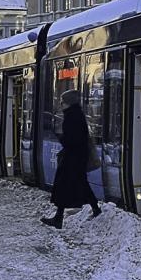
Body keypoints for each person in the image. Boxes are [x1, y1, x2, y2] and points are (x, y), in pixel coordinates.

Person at [41, 90, 101, 229]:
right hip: (76, 157)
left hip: (73, 157)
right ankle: (93, 208)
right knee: (79, 183)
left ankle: (58, 218)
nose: (61, 104)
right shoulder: (76, 114)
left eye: (62, 101)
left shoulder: (72, 117)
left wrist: (61, 137)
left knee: (64, 186)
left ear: (68, 102)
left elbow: (72, 140)